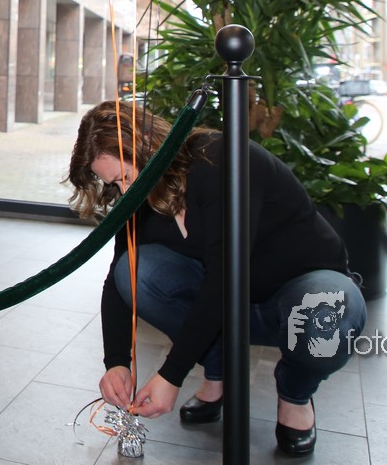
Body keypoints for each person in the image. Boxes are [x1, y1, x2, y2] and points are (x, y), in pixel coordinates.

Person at [65, 101, 366, 457]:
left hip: (298, 289)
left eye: (126, 177)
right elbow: (119, 278)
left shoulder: (220, 160)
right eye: (114, 184)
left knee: (329, 310)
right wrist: (116, 362)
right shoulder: (142, 193)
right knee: (136, 273)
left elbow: (225, 278)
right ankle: (218, 368)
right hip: (227, 304)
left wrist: (172, 375)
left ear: (147, 144)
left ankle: (295, 395)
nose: (124, 191)